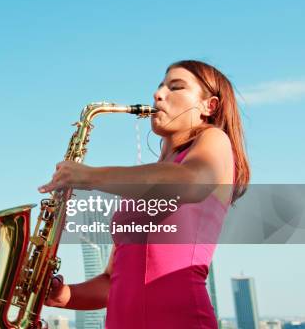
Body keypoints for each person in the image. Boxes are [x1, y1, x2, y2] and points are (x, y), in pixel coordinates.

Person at [40, 60, 250, 328]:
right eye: (161, 86)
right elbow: (111, 282)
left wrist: (89, 176)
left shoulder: (214, 138)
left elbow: (191, 182)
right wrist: (62, 295)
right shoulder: (143, 183)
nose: (158, 94)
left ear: (209, 106)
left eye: (176, 87)